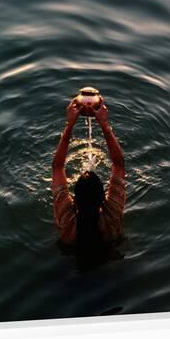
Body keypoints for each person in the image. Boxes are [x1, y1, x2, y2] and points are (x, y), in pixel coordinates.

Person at [52, 96, 126, 266]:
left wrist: (69, 124)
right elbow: (119, 164)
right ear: (103, 199)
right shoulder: (111, 218)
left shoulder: (67, 222)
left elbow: (57, 167)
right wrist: (105, 126)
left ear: (74, 200)